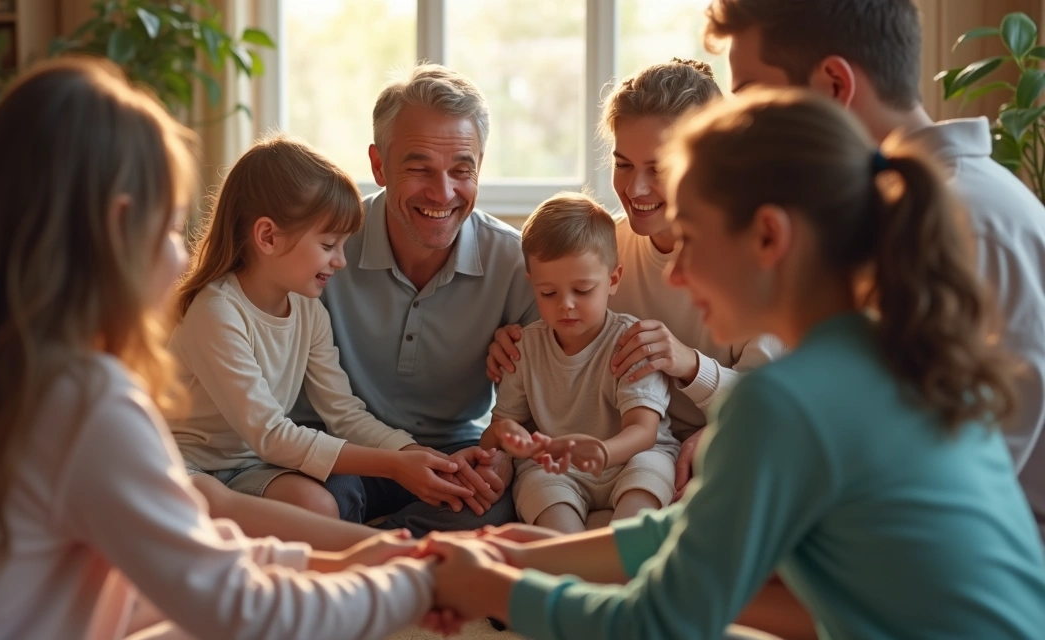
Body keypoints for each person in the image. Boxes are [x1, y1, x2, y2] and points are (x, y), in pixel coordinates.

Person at [0, 59, 435, 640]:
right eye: (171, 226)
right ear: (118, 227)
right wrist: (423, 581)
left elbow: (185, 565)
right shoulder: (81, 397)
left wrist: (380, 553)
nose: (182, 254)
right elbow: (238, 608)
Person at [423, 89, 1045, 640]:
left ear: (768, 236)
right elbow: (694, 531)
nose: (678, 272)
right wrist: (527, 558)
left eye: (691, 239)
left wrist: (497, 590)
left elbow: (658, 622)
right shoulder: (894, 350)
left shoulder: (781, 400)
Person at [705, 0, 1045, 542]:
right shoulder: (882, 214)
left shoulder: (969, 226)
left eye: (753, 101)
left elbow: (961, 481)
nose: (742, 130)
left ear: (834, 84)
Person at [488, 59, 782, 500]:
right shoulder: (604, 250)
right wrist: (513, 346)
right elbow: (550, 349)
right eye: (623, 164)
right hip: (619, 459)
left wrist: (690, 365)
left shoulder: (763, 262)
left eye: (658, 169)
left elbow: (774, 404)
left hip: (707, 450)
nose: (635, 189)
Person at [167, 133, 474, 531]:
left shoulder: (308, 310)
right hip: (189, 464)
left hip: (253, 467)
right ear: (267, 236)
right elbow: (271, 434)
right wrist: (394, 466)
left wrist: (415, 455)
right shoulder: (216, 312)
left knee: (317, 506)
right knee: (204, 501)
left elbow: (343, 412)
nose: (341, 261)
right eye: (329, 245)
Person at [289, 64, 540, 536]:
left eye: (461, 170)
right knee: (309, 505)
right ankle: (397, 553)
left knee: (492, 504)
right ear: (379, 165)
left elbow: (535, 400)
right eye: (419, 168)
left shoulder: (516, 263)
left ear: (480, 165)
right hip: (340, 450)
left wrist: (501, 458)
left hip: (452, 453)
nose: (442, 193)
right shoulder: (325, 247)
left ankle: (372, 549)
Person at [480, 192, 678, 534]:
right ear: (532, 285)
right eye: (548, 293)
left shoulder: (632, 341)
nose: (566, 305)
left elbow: (643, 432)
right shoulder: (525, 347)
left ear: (613, 279)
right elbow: (498, 430)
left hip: (630, 457)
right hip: (560, 468)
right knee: (537, 482)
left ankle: (618, 549)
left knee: (651, 471)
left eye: (583, 290)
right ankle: (568, 549)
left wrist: (601, 452)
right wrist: (506, 437)